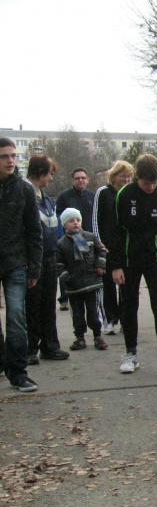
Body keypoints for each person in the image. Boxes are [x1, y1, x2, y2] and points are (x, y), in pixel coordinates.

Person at [108, 154, 157, 380]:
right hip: (129, 261)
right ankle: (130, 354)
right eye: (146, 183)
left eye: (154, 182)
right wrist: (115, 266)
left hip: (156, 259)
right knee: (129, 306)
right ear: (137, 178)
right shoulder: (124, 195)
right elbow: (115, 233)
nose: (150, 187)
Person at [0, 138, 42, 392]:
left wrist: (34, 267)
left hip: (16, 262)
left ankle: (18, 372)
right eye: (4, 156)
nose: (10, 160)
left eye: (13, 155)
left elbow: (34, 230)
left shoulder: (24, 189)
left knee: (16, 317)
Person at [25, 155, 69, 364]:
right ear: (40, 172)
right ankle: (30, 349)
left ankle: (50, 346)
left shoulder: (47, 200)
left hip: (50, 258)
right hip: (32, 260)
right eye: (50, 174)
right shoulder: (25, 195)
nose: (51, 178)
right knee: (32, 305)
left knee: (48, 305)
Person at [56, 208, 108, 351]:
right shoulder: (61, 244)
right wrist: (66, 278)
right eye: (71, 221)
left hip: (91, 282)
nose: (75, 223)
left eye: (78, 220)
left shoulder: (90, 237)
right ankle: (79, 337)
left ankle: (98, 335)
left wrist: (100, 264)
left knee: (93, 311)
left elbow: (101, 250)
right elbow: (58, 264)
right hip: (74, 286)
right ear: (64, 225)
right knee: (77, 314)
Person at [92, 160, 133, 335]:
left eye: (129, 176)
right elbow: (95, 219)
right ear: (114, 176)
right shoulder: (103, 192)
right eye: (123, 176)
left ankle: (125, 319)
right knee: (108, 285)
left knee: (127, 285)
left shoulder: (130, 193)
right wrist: (98, 244)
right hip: (106, 246)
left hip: (126, 248)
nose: (126, 179)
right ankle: (110, 319)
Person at [56, 168, 95, 310]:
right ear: (73, 180)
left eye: (83, 178)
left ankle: (86, 291)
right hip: (70, 238)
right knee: (67, 267)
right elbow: (59, 218)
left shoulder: (92, 196)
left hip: (87, 236)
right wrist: (62, 237)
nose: (81, 180)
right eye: (77, 178)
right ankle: (64, 298)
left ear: (87, 180)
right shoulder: (64, 196)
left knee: (85, 265)